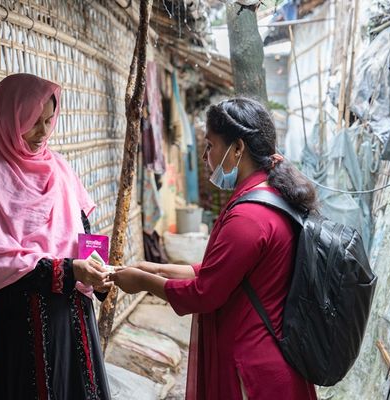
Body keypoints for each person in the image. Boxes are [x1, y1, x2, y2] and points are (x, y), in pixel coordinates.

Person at [110, 98, 319, 400]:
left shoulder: (250, 217)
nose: (206, 156)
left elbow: (204, 293)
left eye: (210, 146)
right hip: (267, 356)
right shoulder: (268, 196)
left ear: (237, 148)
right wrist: (152, 268)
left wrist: (141, 282)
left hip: (253, 371)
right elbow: (222, 272)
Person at [0, 73, 112, 400]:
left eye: (48, 120)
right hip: (25, 325)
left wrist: (98, 274)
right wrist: (69, 270)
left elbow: (83, 230)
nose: (43, 132)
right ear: (6, 119)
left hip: (75, 316)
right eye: (32, 121)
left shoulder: (59, 168)